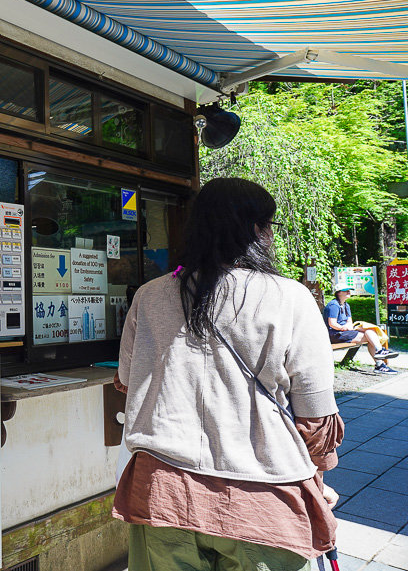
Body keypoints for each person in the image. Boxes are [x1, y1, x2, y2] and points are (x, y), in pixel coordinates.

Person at [113, 178, 343, 570]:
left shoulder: (149, 296)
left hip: (163, 490)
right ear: (256, 230)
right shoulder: (290, 297)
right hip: (263, 497)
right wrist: (319, 475)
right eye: (269, 225)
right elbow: (316, 413)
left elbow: (126, 379)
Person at [323, 286, 398, 374]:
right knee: (371, 337)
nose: (348, 292)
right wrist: (342, 328)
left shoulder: (346, 305)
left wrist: (349, 326)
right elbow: (332, 323)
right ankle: (379, 360)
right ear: (338, 293)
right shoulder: (333, 305)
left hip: (344, 332)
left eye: (349, 290)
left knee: (370, 332)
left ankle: (379, 357)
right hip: (335, 334)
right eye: (345, 290)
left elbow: (349, 322)